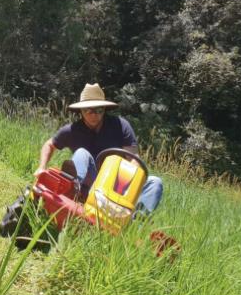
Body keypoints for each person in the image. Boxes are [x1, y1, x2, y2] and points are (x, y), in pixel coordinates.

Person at [34, 83, 163, 216]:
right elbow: (49, 145)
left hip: (117, 184)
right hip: (90, 183)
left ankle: (136, 219)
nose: (94, 115)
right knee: (81, 153)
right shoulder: (72, 130)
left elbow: (134, 160)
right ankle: (71, 190)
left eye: (98, 110)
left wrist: (124, 185)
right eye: (89, 111)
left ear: (104, 109)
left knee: (155, 182)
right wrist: (42, 167)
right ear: (81, 111)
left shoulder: (120, 126)